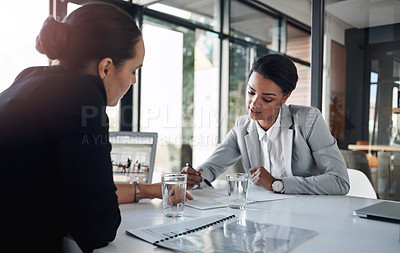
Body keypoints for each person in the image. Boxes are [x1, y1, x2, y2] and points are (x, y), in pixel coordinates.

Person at [0, 3, 191, 253]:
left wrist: (145, 190)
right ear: (106, 68)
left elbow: (72, 190)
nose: (133, 80)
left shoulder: (30, 78)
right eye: (134, 70)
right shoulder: (81, 95)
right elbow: (98, 228)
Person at [182, 54, 350, 195]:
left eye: (267, 99)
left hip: (305, 214)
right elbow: (212, 167)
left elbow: (340, 181)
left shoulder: (308, 120)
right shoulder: (243, 126)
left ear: (285, 96)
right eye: (251, 92)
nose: (254, 104)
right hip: (261, 214)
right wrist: (194, 178)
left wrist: (277, 184)